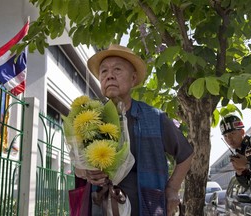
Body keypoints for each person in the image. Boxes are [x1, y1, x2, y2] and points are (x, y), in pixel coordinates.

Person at [74, 44, 194, 216]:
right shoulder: (89, 119)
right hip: (100, 207)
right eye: (104, 72)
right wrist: (86, 171)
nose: (109, 76)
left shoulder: (154, 118)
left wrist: (173, 188)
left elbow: (186, 154)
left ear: (133, 78)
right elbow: (77, 166)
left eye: (117, 69)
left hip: (147, 208)